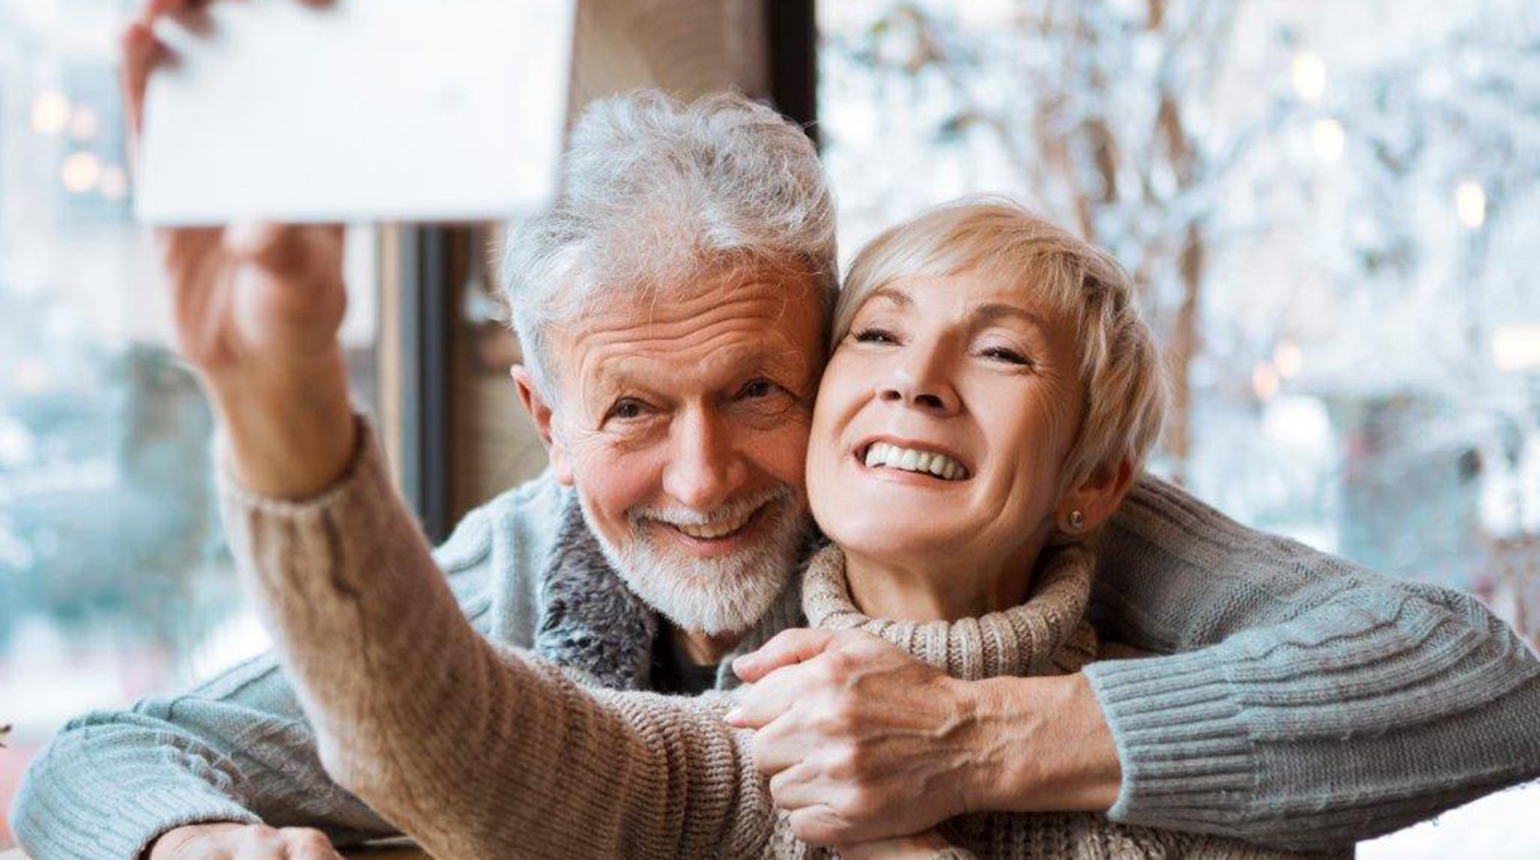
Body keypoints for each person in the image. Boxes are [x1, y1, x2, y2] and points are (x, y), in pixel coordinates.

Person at [10, 4, 1540, 857]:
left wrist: (973, 742)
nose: (705, 476)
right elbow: (403, 741)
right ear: (544, 418)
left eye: (759, 388)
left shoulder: (1038, 506)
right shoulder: (597, 646)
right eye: (630, 411)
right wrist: (186, 843)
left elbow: (1478, 681)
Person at [203, 197, 1369, 860]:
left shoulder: (1229, 767)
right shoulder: (742, 746)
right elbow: (444, 732)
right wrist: (287, 409)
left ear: (1097, 479)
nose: (916, 381)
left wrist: (975, 738)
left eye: (1002, 350)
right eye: (877, 335)